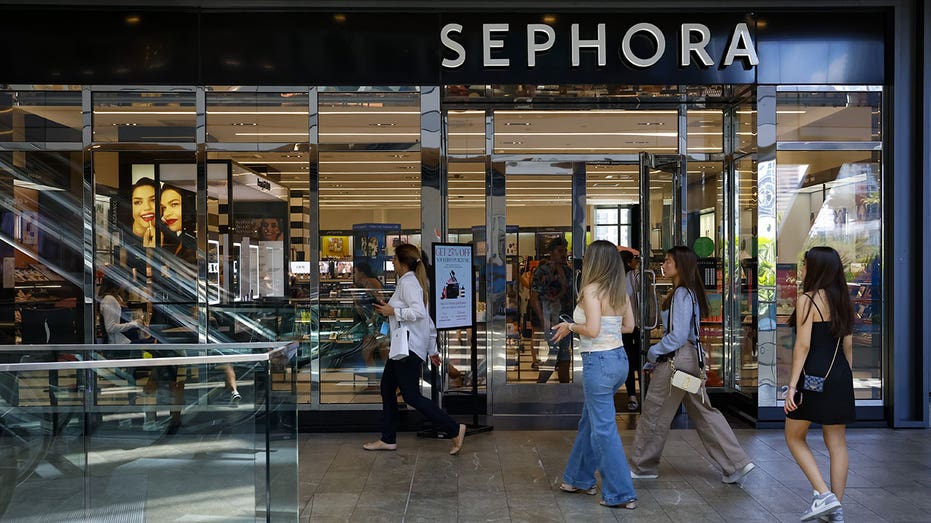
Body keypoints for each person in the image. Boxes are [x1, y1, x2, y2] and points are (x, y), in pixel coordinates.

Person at [629, 246, 755, 484]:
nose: (663, 266)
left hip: (676, 362)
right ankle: (736, 462)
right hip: (689, 362)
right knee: (703, 411)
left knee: (655, 411)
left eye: (667, 262)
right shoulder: (688, 292)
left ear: (680, 266)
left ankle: (643, 466)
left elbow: (677, 336)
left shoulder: (680, 294)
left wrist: (654, 353)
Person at [550, 240, 638, 509]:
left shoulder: (591, 290)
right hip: (619, 362)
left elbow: (593, 329)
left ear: (593, 262)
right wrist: (597, 327)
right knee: (590, 422)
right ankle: (578, 478)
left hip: (598, 363)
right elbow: (629, 326)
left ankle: (622, 493)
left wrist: (570, 326)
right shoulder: (618, 290)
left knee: (603, 429)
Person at [365, 243, 466, 455]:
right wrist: (432, 349)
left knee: (411, 396)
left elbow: (418, 313)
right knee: (387, 388)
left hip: (407, 349)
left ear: (402, 263)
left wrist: (393, 311)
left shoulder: (409, 283)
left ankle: (454, 429)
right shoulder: (414, 282)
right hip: (407, 347)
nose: (392, 262)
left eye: (394, 259)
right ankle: (388, 439)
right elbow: (427, 321)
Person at [784, 247, 855, 522]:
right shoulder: (843, 300)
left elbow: (803, 346)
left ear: (815, 269)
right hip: (839, 375)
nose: (802, 269)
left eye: (805, 264)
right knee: (837, 442)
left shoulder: (807, 300)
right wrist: (844, 378)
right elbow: (847, 345)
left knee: (793, 436)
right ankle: (835, 508)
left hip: (812, 377)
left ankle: (823, 494)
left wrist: (792, 387)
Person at [531, 237, 573, 382]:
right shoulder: (543, 271)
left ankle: (565, 388)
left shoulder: (568, 270)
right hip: (552, 317)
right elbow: (534, 296)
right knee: (555, 353)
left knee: (564, 354)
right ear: (551, 252)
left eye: (565, 251)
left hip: (567, 318)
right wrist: (543, 319)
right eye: (560, 251)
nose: (563, 254)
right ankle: (540, 384)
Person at [354, 261, 388, 384]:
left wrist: (373, 318)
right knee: (368, 353)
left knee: (383, 352)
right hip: (371, 324)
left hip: (379, 323)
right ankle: (373, 382)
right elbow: (361, 308)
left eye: (356, 272)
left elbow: (381, 301)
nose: (354, 275)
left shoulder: (371, 282)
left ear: (362, 272)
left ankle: (388, 382)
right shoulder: (361, 285)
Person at [619, 250, 642, 411]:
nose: (636, 262)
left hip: (622, 325)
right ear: (628, 262)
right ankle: (640, 394)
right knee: (638, 359)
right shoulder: (635, 276)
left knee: (630, 359)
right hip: (636, 323)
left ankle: (632, 396)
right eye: (634, 259)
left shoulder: (615, 279)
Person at [130, 177, 157, 248]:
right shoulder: (122, 235)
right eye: (138, 202)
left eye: (153, 200)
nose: (147, 207)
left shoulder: (172, 236)